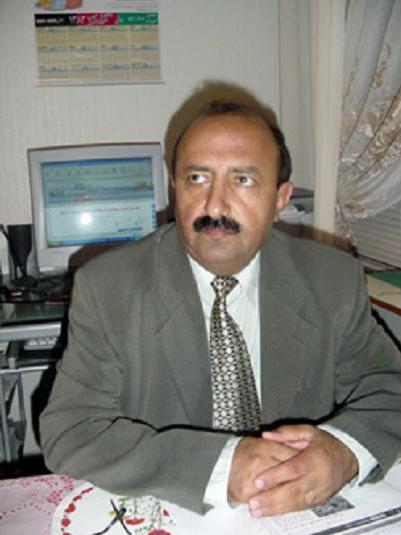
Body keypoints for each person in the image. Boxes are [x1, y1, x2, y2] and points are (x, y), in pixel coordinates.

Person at [40, 98, 401, 518]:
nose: (214, 206)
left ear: (280, 198)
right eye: (197, 178)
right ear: (176, 188)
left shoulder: (331, 279)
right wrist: (221, 466)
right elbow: (70, 430)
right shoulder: (110, 288)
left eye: (243, 180)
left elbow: (391, 386)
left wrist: (346, 451)